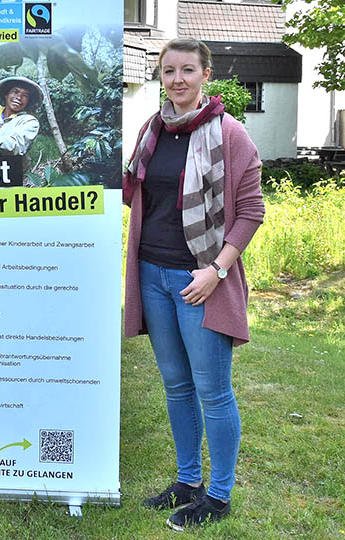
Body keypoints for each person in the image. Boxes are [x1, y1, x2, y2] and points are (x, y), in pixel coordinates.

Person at [123, 38, 265, 530]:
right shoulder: (151, 131)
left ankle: (219, 495)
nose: (177, 79)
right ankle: (187, 481)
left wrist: (218, 270)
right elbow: (133, 192)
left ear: (206, 74)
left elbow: (251, 211)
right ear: (160, 77)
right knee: (176, 386)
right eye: (169, 72)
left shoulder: (230, 133)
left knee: (213, 390)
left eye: (187, 70)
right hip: (152, 274)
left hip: (200, 279)